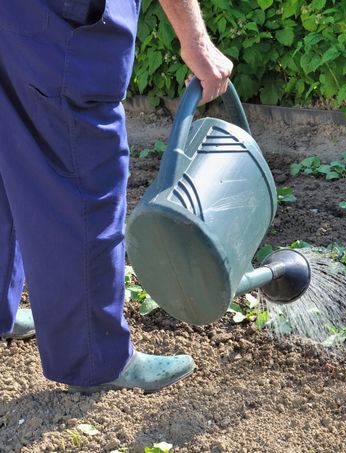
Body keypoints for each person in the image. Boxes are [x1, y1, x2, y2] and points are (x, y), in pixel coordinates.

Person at [0, 0, 232, 392]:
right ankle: (95, 358)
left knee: (9, 145)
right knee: (82, 172)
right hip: (57, 26)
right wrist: (195, 41)